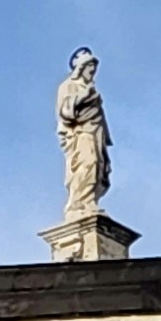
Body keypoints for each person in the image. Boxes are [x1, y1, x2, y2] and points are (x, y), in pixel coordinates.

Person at [58, 48, 111, 217]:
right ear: (81, 67)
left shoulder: (90, 88)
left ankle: (89, 200)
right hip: (81, 133)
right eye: (89, 67)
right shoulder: (69, 86)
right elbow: (66, 112)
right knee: (88, 162)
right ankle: (80, 201)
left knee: (98, 165)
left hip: (96, 132)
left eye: (94, 67)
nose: (92, 70)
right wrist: (83, 96)